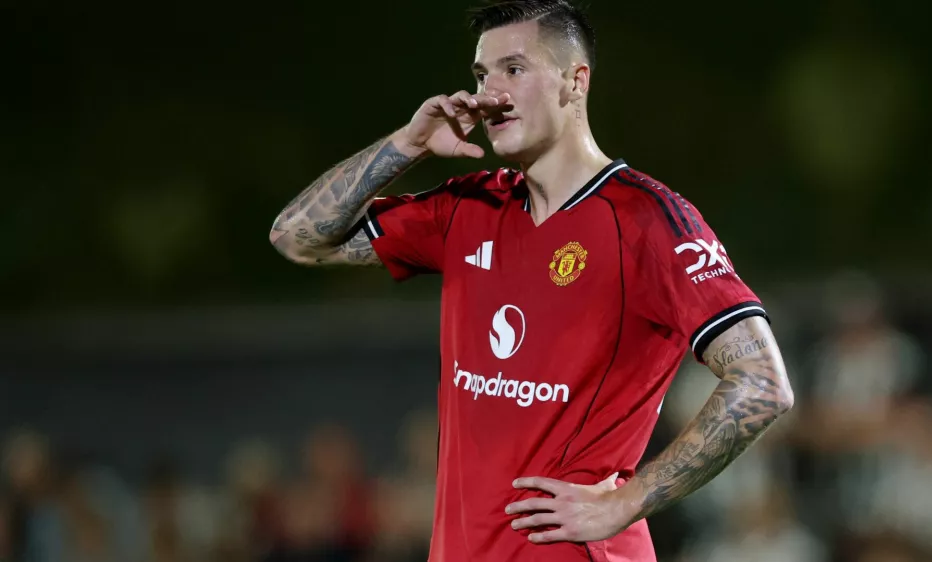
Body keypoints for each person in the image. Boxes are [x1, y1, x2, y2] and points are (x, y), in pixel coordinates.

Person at [269, 1, 794, 560]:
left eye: (514, 69)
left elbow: (763, 382)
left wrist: (628, 500)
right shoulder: (469, 207)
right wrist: (408, 145)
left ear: (575, 81)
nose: (490, 94)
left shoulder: (648, 221)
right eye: (481, 75)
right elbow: (296, 238)